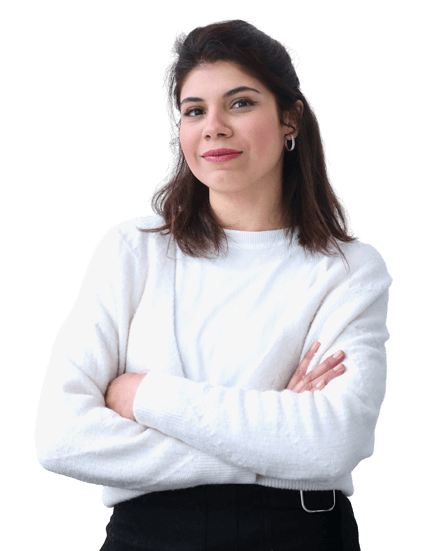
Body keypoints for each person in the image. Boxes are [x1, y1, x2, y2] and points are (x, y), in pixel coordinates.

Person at [34, 19, 392, 550]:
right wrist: (273, 446)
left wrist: (145, 396)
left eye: (240, 103)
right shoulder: (132, 251)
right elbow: (61, 437)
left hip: (297, 533)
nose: (214, 127)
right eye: (195, 110)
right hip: (147, 536)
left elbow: (335, 441)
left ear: (290, 118)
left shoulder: (348, 269)